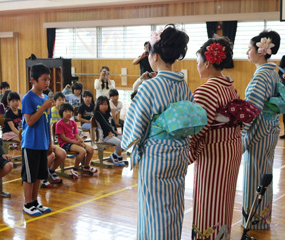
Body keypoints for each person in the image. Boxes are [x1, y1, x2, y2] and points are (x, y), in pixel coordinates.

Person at [121, 24, 192, 240]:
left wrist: (130, 149)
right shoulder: (183, 85)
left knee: (154, 210)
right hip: (179, 153)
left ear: (155, 56)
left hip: (157, 157)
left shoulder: (149, 87)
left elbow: (134, 127)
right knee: (173, 207)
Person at [189, 38, 242, 240]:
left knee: (209, 199)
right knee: (224, 199)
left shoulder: (206, 90)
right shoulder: (229, 86)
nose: (197, 66)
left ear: (208, 62)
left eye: (198, 62)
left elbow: (197, 128)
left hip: (214, 152)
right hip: (231, 145)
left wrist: (187, 153)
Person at [242, 30, 281, 229]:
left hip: (258, 131)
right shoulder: (273, 72)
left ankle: (254, 221)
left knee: (254, 176)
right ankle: (262, 218)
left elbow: (251, 109)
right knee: (266, 174)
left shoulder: (261, 76)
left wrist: (241, 136)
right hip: (272, 127)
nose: (247, 52)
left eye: (249, 48)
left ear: (261, 50)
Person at [21, 63, 54, 216]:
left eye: (48, 79)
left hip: (43, 142)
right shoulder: (28, 98)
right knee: (29, 176)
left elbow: (48, 123)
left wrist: (50, 142)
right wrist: (42, 107)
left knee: (39, 175)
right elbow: (29, 121)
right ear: (33, 80)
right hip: (30, 143)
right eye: (44, 79)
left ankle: (35, 202)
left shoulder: (46, 98)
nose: (47, 83)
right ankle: (27, 203)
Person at [56, 103, 97, 179]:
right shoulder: (59, 123)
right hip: (65, 144)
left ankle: (86, 166)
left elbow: (76, 135)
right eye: (66, 111)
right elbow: (63, 138)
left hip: (74, 142)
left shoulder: (73, 123)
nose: (68, 113)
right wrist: (76, 142)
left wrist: (81, 141)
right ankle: (75, 169)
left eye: (70, 111)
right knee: (82, 151)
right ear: (61, 113)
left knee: (90, 149)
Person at [94, 96, 124, 166]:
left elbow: (112, 123)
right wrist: (109, 132)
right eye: (102, 104)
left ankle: (114, 155)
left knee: (125, 140)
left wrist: (116, 131)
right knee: (118, 142)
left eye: (106, 104)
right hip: (105, 136)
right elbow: (104, 124)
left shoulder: (107, 113)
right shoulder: (97, 113)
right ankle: (119, 156)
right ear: (98, 105)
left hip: (112, 134)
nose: (104, 106)